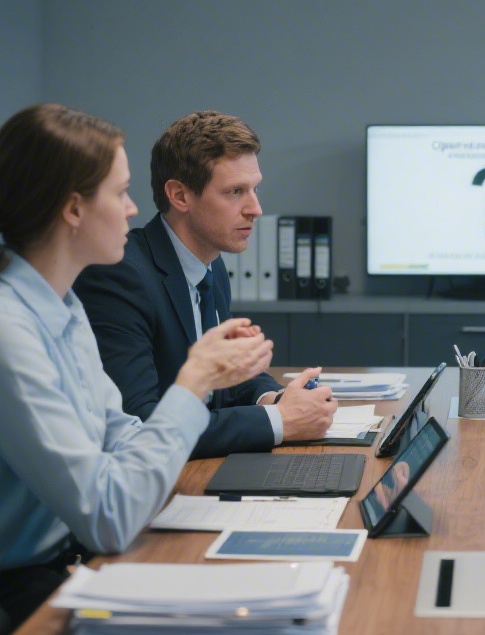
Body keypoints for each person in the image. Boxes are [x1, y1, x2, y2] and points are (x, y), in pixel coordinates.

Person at [0, 104, 273, 635]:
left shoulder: (61, 308)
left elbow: (120, 435)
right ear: (73, 209)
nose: (135, 209)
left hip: (35, 573)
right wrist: (192, 382)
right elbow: (107, 518)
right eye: (123, 192)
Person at [74, 111, 335, 458]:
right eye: (235, 192)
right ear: (180, 195)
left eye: (255, 189)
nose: (255, 208)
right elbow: (142, 422)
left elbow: (218, 386)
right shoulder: (120, 276)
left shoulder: (210, 265)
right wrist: (279, 420)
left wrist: (276, 398)